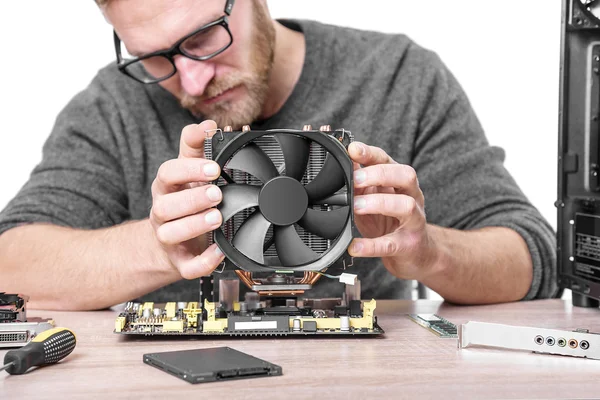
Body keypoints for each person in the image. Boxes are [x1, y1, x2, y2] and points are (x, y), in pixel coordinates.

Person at [0, 0, 558, 310]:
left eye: (203, 38)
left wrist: (428, 252)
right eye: (155, 58)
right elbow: (10, 262)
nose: (191, 79)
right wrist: (160, 245)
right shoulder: (116, 106)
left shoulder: (396, 77)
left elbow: (536, 260)